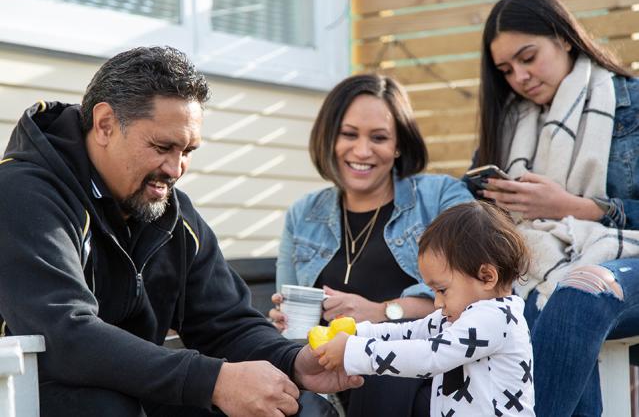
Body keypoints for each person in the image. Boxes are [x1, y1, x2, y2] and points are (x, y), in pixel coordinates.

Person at [0, 46, 363, 417]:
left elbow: (226, 323)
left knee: (300, 409)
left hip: (137, 390)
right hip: (25, 394)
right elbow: (66, 337)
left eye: (188, 150)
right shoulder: (21, 194)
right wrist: (214, 381)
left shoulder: (170, 211)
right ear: (105, 124)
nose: (175, 169)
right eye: (162, 147)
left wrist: (295, 361)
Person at [468, 0, 639, 414]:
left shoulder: (631, 104)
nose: (520, 77)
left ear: (564, 38)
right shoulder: (509, 123)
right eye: (506, 69)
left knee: (577, 291)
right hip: (541, 262)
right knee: (518, 302)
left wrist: (571, 206)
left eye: (528, 57)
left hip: (625, 255)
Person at [268, 73, 473, 416]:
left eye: (378, 137)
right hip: (331, 381)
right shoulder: (303, 215)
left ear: (398, 145)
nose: (362, 151)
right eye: (349, 134)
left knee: (380, 349)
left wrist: (382, 313)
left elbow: (471, 292)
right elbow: (290, 325)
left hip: (425, 377)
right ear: (330, 138)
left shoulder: (440, 197)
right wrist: (283, 322)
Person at [315, 201, 535, 416]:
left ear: (486, 277)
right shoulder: (458, 316)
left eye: (442, 290)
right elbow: (408, 332)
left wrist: (354, 351)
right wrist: (358, 332)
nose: (437, 303)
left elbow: (431, 356)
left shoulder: (496, 318)